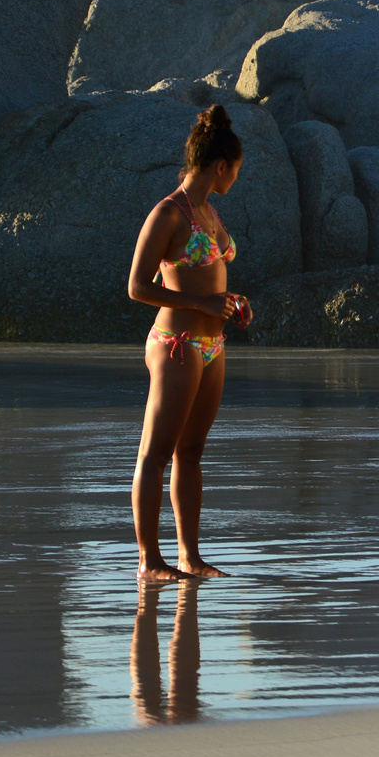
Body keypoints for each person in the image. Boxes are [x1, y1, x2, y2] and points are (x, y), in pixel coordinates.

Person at [127, 104, 244, 582]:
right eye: (236, 170)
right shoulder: (168, 213)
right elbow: (137, 286)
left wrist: (231, 301)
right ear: (221, 166)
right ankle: (149, 561)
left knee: (191, 453)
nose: (236, 177)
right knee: (156, 452)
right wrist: (203, 307)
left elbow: (205, 279)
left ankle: (190, 556)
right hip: (176, 342)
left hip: (212, 345)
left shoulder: (210, 212)